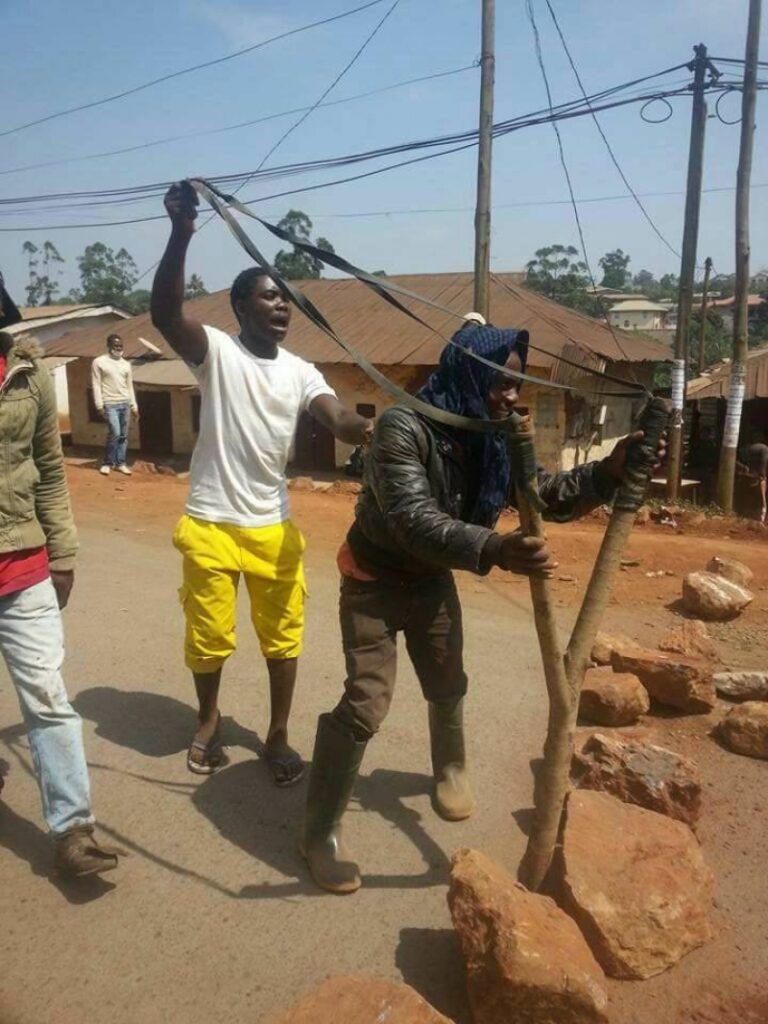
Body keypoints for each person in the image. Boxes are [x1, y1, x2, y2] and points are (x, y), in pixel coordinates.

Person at [301, 320, 665, 894]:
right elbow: (412, 520)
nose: (512, 394)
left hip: (432, 578)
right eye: (501, 380)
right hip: (374, 578)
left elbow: (541, 494)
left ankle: (450, 767)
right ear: (468, 371)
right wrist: (494, 547)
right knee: (365, 703)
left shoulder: (492, 433)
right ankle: (320, 830)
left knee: (448, 682)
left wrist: (606, 472)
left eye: (516, 383)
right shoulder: (403, 426)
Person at [150, 181, 372, 786]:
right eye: (270, 298)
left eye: (286, 301)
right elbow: (166, 314)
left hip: (272, 526)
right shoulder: (215, 352)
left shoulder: (302, 372)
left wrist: (374, 428)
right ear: (242, 308)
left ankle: (276, 734)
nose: (282, 307)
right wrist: (180, 233)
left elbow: (338, 419)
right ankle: (208, 720)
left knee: (283, 638)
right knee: (209, 635)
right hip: (211, 521)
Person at [0, 309, 118, 877]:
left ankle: (74, 831)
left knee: (48, 698)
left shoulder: (25, 370)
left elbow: (48, 466)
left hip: (22, 566)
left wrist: (63, 555)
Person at [92, 334, 138, 476]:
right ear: (109, 346)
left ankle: (120, 463)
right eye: (115, 345)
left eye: (120, 346)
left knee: (123, 435)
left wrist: (134, 406)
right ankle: (107, 462)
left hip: (124, 402)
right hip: (110, 403)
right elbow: (96, 384)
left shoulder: (126, 364)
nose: (118, 348)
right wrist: (99, 405)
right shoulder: (99, 362)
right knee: (115, 433)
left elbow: (129, 386)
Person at [745, 429, 768, 524]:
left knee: (752, 497)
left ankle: (750, 516)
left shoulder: (747, 448)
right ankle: (761, 519)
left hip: (749, 475)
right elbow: (763, 462)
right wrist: (762, 476)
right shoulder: (764, 448)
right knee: (762, 499)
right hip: (759, 477)